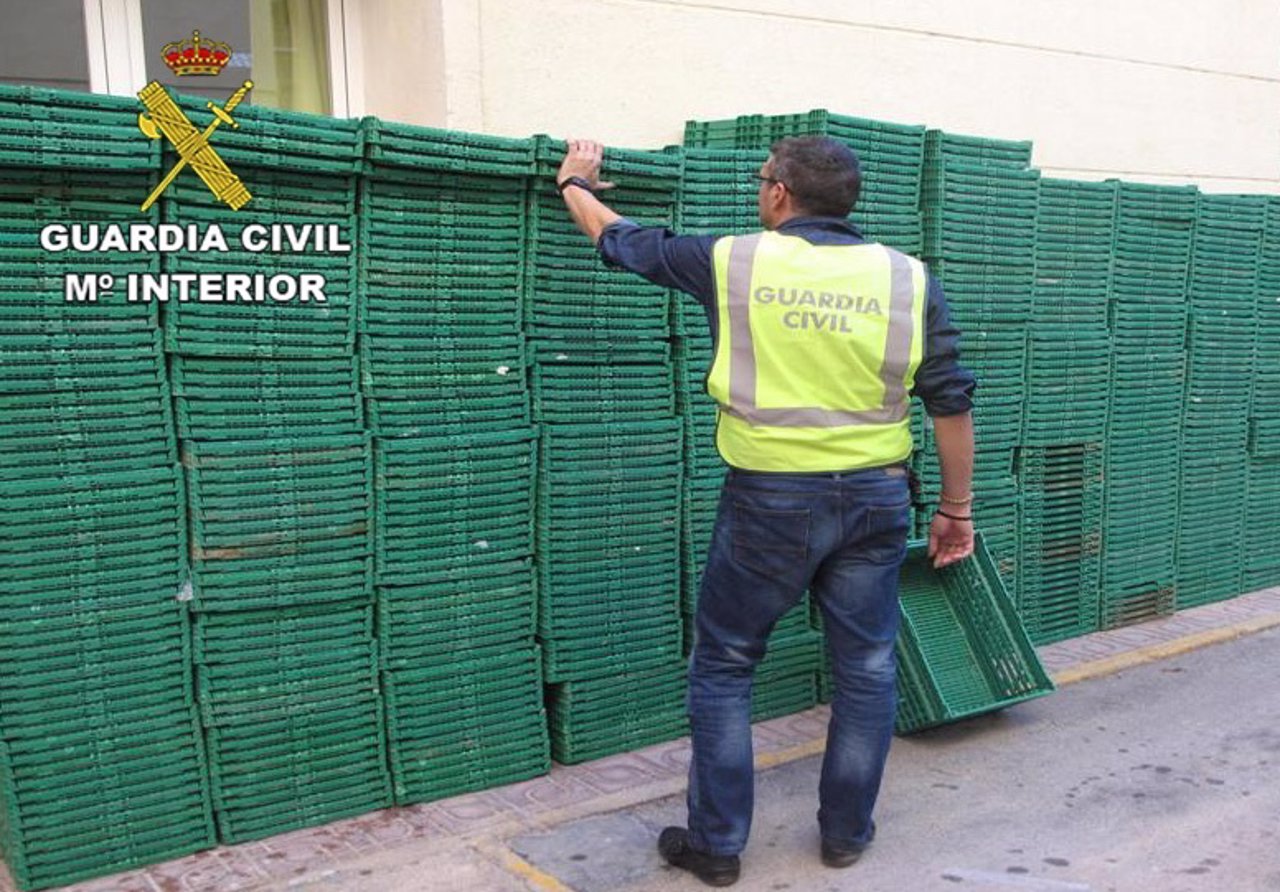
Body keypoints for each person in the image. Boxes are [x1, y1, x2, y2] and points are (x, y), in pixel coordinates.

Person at [555, 136, 977, 887]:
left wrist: (575, 183)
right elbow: (950, 400)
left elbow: (622, 242)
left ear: (779, 192)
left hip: (770, 502)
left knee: (724, 666)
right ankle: (845, 835)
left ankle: (717, 847)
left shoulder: (734, 261)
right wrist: (956, 510)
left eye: (761, 181)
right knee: (867, 670)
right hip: (878, 496)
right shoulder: (907, 279)